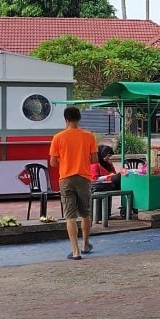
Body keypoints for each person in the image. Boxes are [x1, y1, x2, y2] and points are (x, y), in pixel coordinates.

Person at [49, 106, 98, 260]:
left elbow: (53, 163)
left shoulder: (58, 137)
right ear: (79, 118)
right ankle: (85, 245)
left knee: (70, 216)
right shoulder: (89, 136)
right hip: (84, 178)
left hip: (66, 179)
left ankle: (75, 251)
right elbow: (95, 159)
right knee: (85, 213)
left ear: (66, 119)